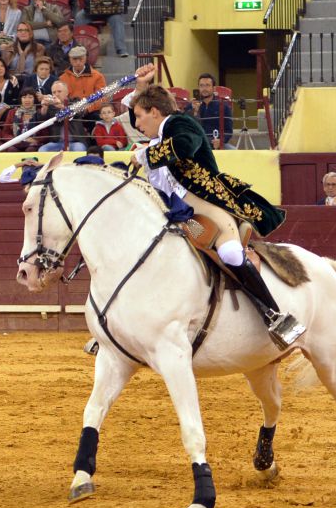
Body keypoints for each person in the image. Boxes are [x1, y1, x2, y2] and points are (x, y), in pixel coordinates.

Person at [125, 63, 304, 349]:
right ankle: (123, 324)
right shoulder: (160, 134)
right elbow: (145, 115)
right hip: (176, 210)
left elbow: (185, 145)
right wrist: (140, 87)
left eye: (139, 117)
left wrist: (145, 154)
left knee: (230, 252)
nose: (136, 124)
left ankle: (274, 315)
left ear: (155, 113)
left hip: (204, 203)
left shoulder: (180, 124)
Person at [37, 79, 86, 151]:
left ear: (67, 93)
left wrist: (61, 106)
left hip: (75, 142)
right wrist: (44, 107)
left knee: (79, 149)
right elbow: (42, 119)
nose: (56, 94)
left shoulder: (76, 101)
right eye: (54, 92)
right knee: (42, 150)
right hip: (57, 142)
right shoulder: (51, 106)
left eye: (59, 91)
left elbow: (79, 113)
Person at [190, 73, 233, 149]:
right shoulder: (191, 106)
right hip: (197, 144)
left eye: (207, 85)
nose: (204, 88)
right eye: (201, 85)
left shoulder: (223, 106)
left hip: (216, 143)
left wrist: (220, 141)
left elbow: (228, 131)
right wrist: (194, 111)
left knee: (234, 151)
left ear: (214, 88)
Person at [59, 45, 105, 115]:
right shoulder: (63, 78)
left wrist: (87, 109)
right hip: (69, 112)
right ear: (70, 60)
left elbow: (101, 98)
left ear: (85, 58)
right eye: (74, 59)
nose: (78, 62)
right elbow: (60, 98)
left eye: (81, 59)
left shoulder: (98, 77)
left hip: (91, 112)